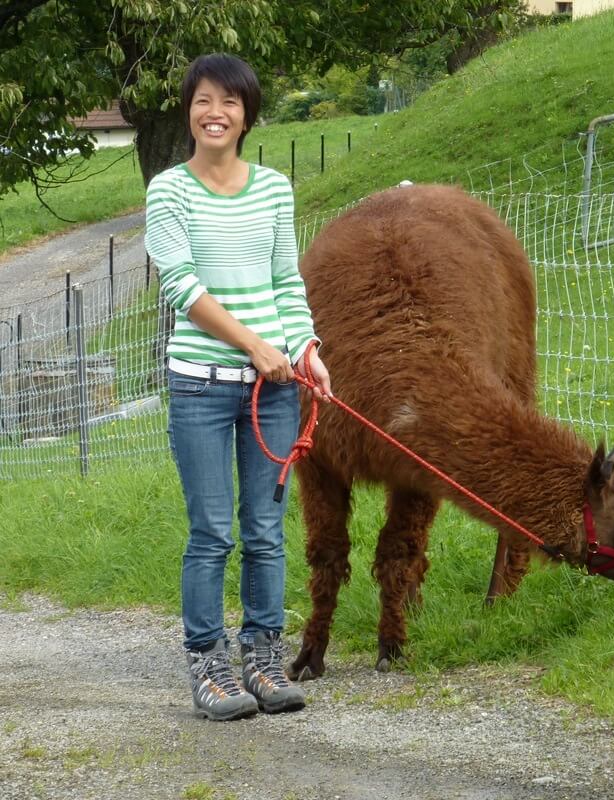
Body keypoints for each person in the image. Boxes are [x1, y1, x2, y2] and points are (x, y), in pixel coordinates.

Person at [145, 53, 331, 721]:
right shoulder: (169, 190)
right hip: (200, 387)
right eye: (202, 100)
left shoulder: (274, 189)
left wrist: (306, 349)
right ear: (189, 112)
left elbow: (287, 283)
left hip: (275, 390)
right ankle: (208, 665)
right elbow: (184, 289)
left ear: (248, 114)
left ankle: (261, 658)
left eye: (228, 100)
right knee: (212, 532)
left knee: (264, 530)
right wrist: (256, 345)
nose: (214, 111)